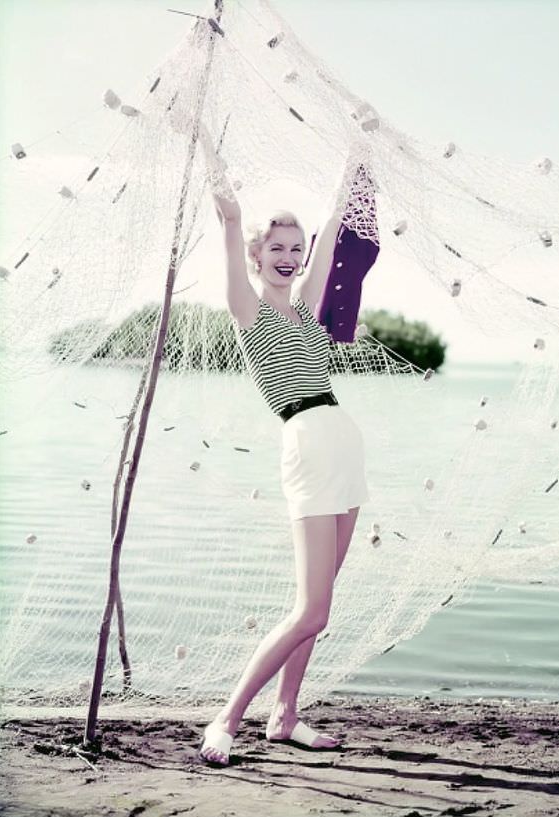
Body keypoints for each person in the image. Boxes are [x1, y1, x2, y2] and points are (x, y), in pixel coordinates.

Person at [197, 130, 370, 766]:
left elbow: (330, 229)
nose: (291, 256)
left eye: (296, 249)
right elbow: (233, 214)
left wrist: (354, 160)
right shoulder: (250, 310)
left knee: (320, 604)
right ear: (257, 255)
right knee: (310, 608)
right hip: (304, 440)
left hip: (343, 441)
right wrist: (216, 162)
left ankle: (287, 716)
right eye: (278, 248)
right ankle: (227, 718)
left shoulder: (305, 307)